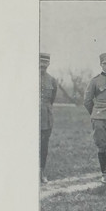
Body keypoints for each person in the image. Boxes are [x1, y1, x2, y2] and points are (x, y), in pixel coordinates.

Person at [84, 52, 106, 185]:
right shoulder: (95, 81)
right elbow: (87, 100)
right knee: (101, 146)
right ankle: (104, 173)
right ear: (101, 64)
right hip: (100, 118)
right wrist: (95, 114)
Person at [39, 52, 57, 184]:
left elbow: (52, 99)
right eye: (41, 61)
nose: (43, 65)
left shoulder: (52, 80)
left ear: (48, 64)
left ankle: (41, 172)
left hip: (46, 118)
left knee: (44, 146)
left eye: (45, 62)